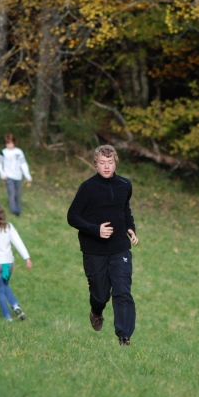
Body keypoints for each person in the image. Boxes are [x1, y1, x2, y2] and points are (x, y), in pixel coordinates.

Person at [67, 145, 139, 347]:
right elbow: (72, 217)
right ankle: (96, 311)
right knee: (100, 295)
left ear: (115, 162)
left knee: (123, 290)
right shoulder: (87, 188)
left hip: (119, 248)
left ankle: (124, 337)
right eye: (102, 163)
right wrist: (95, 229)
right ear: (95, 164)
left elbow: (125, 210)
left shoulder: (125, 185)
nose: (106, 166)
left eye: (110, 162)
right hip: (94, 250)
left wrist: (130, 228)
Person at [0, 134, 32, 216]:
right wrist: (3, 174)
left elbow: (23, 164)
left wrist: (27, 175)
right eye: (7, 143)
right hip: (8, 177)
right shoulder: (3, 152)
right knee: (12, 193)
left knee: (18, 194)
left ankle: (19, 210)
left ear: (14, 142)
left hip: (18, 176)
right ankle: (14, 210)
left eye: (11, 143)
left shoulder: (19, 152)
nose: (9, 145)